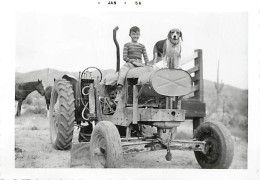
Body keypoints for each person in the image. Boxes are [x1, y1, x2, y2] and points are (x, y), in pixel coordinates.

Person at [115, 26, 149, 102]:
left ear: (139, 35)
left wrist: (147, 64)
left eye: (137, 34)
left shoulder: (142, 46)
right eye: (133, 34)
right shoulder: (127, 45)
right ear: (130, 35)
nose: (135, 36)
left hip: (140, 64)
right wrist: (132, 61)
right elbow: (124, 57)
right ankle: (119, 92)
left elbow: (146, 58)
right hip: (130, 64)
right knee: (122, 73)